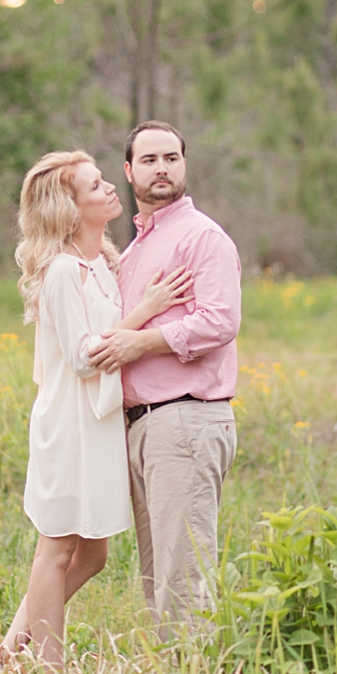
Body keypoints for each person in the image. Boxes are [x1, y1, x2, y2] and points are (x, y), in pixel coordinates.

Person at [0, 151, 190, 673]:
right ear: (69, 209)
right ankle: (49, 673)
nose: (111, 187)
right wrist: (145, 312)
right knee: (58, 547)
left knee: (93, 556)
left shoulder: (104, 264)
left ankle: (5, 652)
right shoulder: (63, 272)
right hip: (69, 425)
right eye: (95, 186)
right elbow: (82, 355)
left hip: (100, 425)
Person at [87, 122, 244, 631]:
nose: (162, 168)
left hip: (186, 420)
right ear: (129, 171)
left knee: (184, 582)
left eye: (171, 158)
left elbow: (221, 320)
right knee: (159, 578)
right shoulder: (132, 252)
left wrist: (143, 343)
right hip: (142, 426)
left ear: (184, 165)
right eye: (150, 160)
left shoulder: (202, 238)